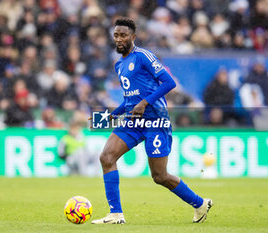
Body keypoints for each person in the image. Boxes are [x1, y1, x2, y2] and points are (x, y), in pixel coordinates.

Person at [90, 18, 213, 225]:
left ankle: (200, 203)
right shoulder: (120, 64)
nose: (119, 39)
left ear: (133, 37)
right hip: (132, 121)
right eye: (116, 35)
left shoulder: (144, 56)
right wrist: (109, 117)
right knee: (107, 157)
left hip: (155, 120)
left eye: (123, 35)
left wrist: (146, 102)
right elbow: (129, 100)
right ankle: (116, 214)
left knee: (159, 176)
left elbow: (169, 82)